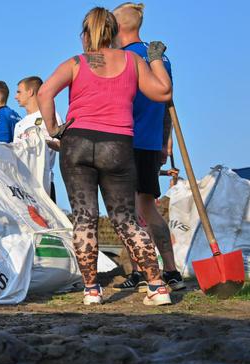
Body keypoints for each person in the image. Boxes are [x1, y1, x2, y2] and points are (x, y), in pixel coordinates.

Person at [37, 7, 172, 305]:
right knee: (125, 218)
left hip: (77, 142)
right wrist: (156, 58)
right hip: (118, 144)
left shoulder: (76, 62)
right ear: (113, 33)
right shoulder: (134, 60)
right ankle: (157, 286)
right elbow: (163, 93)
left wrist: (55, 130)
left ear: (86, 33)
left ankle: (91, 291)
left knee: (84, 218)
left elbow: (44, 93)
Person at [113, 2, 183, 292]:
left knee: (127, 210)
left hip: (129, 139)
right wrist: (166, 141)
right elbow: (166, 101)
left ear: (119, 28)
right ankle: (170, 270)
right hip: (153, 141)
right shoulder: (159, 58)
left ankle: (142, 270)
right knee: (147, 206)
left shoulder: (125, 58)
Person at [13, 76, 62, 200]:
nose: (15, 96)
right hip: (23, 186)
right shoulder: (19, 124)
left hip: (43, 184)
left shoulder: (50, 115)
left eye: (19, 92)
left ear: (30, 92)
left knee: (47, 220)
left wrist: (43, 142)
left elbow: (63, 145)